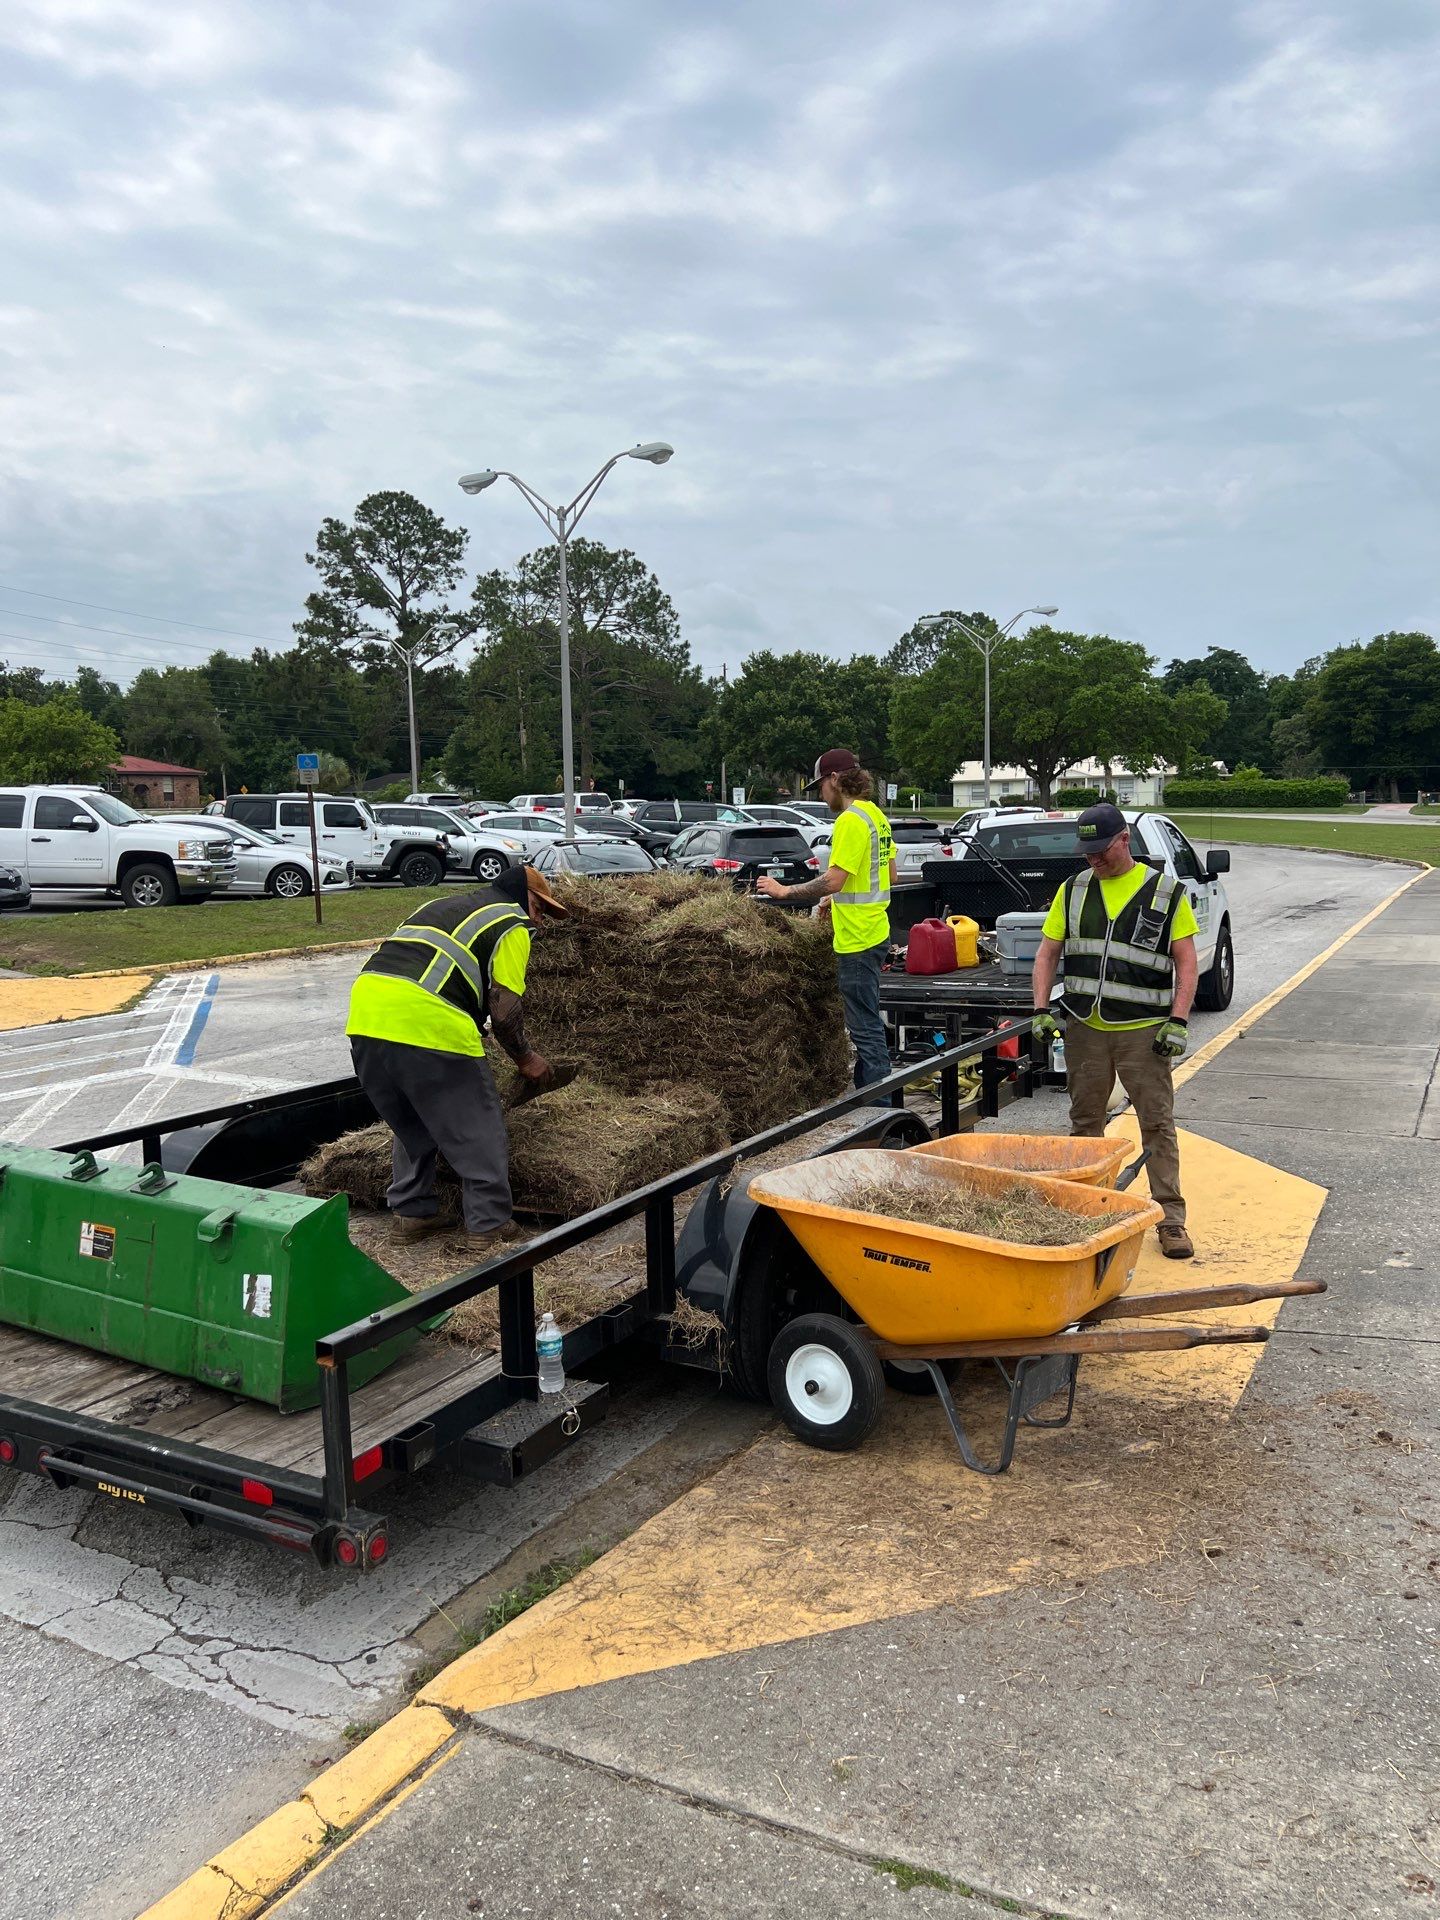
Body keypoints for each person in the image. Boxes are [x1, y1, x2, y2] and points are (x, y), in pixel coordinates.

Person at [345, 864, 568, 1251]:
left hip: (366, 1018)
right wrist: (526, 1058)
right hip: (428, 1021)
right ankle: (489, 1224)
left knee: (414, 1120)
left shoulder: (442, 905)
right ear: (522, 896)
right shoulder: (511, 923)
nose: (540, 921)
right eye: (539, 908)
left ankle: (412, 1213)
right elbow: (505, 1008)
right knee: (478, 1126)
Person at [1031, 802, 1199, 1259]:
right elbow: (1047, 953)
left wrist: (1178, 1020)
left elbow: (1187, 962)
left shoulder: (1165, 893)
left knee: (1156, 1123)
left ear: (1124, 840)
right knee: (1084, 1123)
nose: (1094, 860)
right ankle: (1086, 1209)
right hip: (1085, 1027)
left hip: (1144, 1031)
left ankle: (1171, 1220)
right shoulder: (1073, 890)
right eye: (1087, 853)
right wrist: (1040, 1008)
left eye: (1101, 851)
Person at [757, 747, 896, 1094]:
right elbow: (889, 873)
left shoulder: (850, 820)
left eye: (820, 785)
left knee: (864, 1028)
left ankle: (881, 1106)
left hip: (856, 939)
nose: (821, 793)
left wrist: (784, 891)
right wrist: (840, 895)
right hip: (875, 931)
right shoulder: (875, 815)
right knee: (868, 1021)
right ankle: (873, 1096)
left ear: (835, 779)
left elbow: (833, 879)